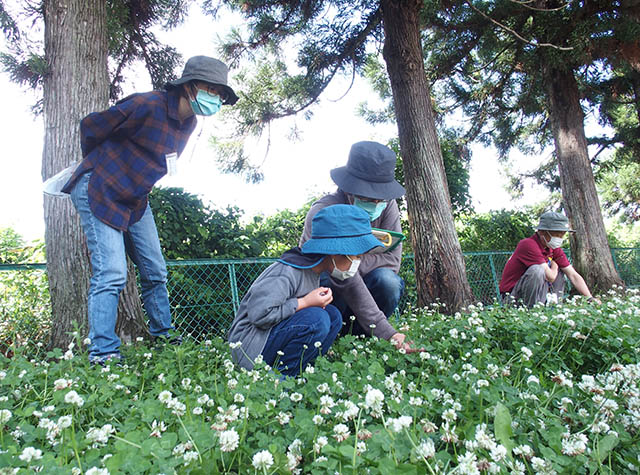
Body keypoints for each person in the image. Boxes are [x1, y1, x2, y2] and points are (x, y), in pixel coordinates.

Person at [61, 56, 239, 365]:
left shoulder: (189, 123)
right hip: (100, 187)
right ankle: (103, 354)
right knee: (112, 273)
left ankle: (165, 336)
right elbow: (91, 126)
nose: (215, 98)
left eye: (220, 93)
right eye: (210, 89)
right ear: (189, 86)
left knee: (156, 270)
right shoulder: (149, 104)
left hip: (136, 198)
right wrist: (101, 164)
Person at [228, 205, 385, 377]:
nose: (358, 262)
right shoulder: (287, 272)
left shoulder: (314, 272)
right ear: (336, 252)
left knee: (333, 316)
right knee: (317, 319)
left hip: (267, 339)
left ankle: (302, 372)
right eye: (357, 256)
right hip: (249, 347)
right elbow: (259, 314)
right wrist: (304, 303)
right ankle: (281, 380)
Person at [299, 141, 416, 352]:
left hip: (363, 284)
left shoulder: (387, 206)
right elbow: (328, 268)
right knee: (329, 279)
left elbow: (391, 260)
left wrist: (351, 263)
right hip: (328, 287)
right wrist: (388, 331)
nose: (376, 204)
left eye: (380, 198)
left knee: (387, 281)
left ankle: (362, 339)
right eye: (368, 198)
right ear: (350, 190)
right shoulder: (323, 211)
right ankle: (329, 337)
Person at [499, 211, 598, 307]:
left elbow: (573, 275)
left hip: (539, 294)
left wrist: (589, 298)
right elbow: (550, 276)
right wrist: (555, 265)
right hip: (513, 298)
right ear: (542, 232)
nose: (560, 238)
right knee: (537, 270)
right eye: (556, 234)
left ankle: (554, 307)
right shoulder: (528, 244)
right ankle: (531, 311)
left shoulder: (553, 248)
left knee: (561, 270)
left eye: (562, 234)